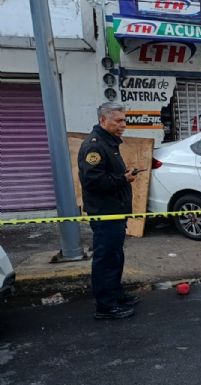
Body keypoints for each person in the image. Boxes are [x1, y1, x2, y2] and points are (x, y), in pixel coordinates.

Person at [78, 102, 140, 320]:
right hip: (105, 212)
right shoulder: (95, 146)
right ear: (103, 120)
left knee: (115, 256)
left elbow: (106, 174)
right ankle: (105, 306)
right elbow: (92, 181)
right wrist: (123, 179)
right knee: (105, 259)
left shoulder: (109, 143)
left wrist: (123, 175)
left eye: (124, 120)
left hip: (115, 210)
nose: (123, 124)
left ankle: (116, 295)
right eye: (118, 120)